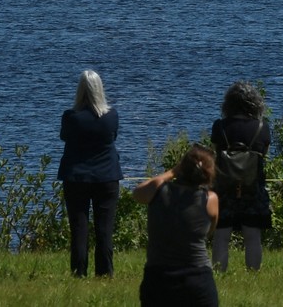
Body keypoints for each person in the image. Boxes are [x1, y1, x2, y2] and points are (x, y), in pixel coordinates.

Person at [133, 144, 220, 307]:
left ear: (182, 169)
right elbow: (209, 231)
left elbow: (136, 193)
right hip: (197, 279)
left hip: (158, 278)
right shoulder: (210, 199)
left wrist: (172, 171)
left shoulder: (157, 191)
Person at [57, 69, 123, 278]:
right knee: (104, 228)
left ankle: (79, 272)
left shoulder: (71, 117)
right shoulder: (111, 116)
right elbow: (113, 137)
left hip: (76, 176)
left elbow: (64, 136)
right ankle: (105, 273)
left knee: (79, 227)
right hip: (107, 176)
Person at [209, 80, 272, 272]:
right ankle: (253, 274)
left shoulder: (219, 126)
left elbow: (216, 152)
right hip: (252, 185)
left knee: (221, 235)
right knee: (253, 235)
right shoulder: (262, 127)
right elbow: (264, 154)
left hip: (224, 187)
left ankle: (219, 272)